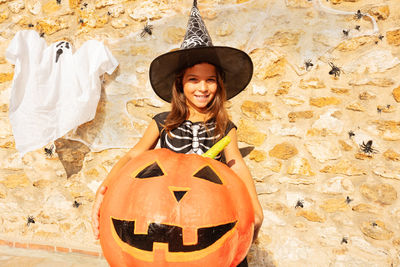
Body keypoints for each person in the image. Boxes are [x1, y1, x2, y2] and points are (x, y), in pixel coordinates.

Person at [92, 1, 263, 266]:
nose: (202, 87)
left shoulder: (224, 128)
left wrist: (254, 207)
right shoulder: (163, 123)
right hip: (163, 220)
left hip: (209, 214)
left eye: (210, 80)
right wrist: (102, 191)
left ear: (219, 85)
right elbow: (132, 157)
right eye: (193, 79)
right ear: (180, 85)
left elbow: (236, 164)